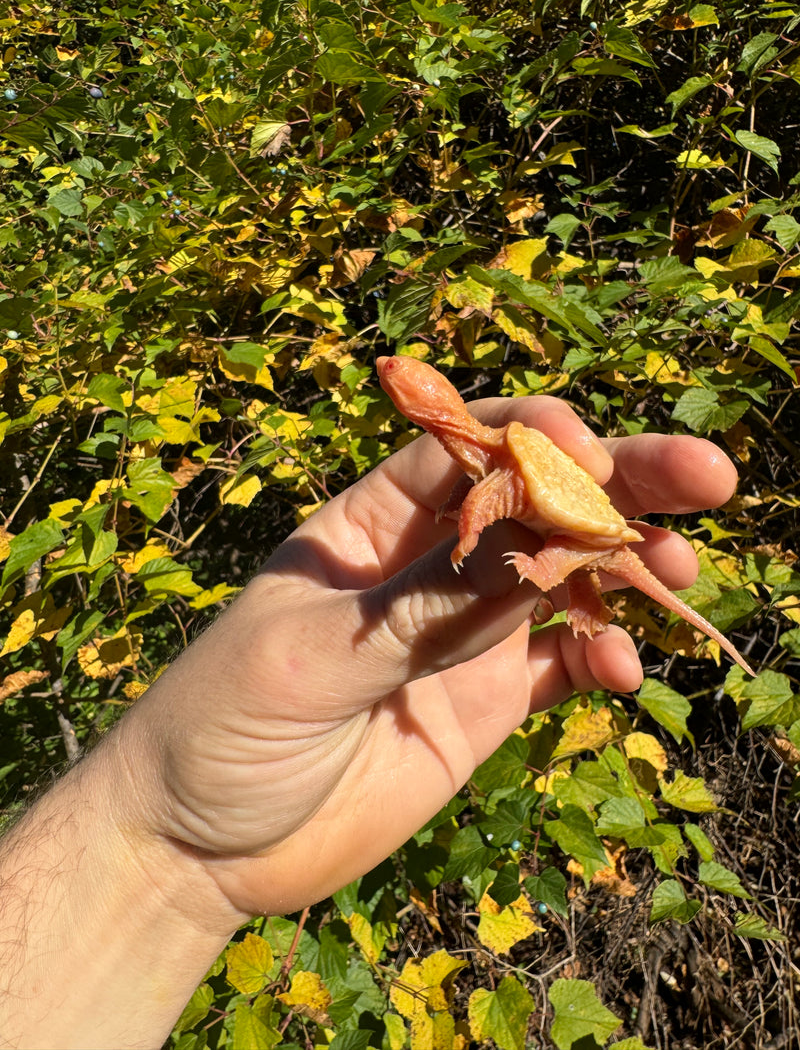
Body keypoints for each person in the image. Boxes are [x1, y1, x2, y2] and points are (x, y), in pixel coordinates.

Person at [0, 386, 738, 1049]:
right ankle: (582, 596)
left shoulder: (498, 467)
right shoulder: (483, 460)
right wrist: (169, 849)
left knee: (564, 562)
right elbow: (474, 494)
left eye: (398, 379)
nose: (388, 372)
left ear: (428, 409)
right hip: (569, 513)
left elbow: (484, 504)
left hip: (581, 526)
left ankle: (575, 591)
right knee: (577, 564)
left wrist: (481, 542)